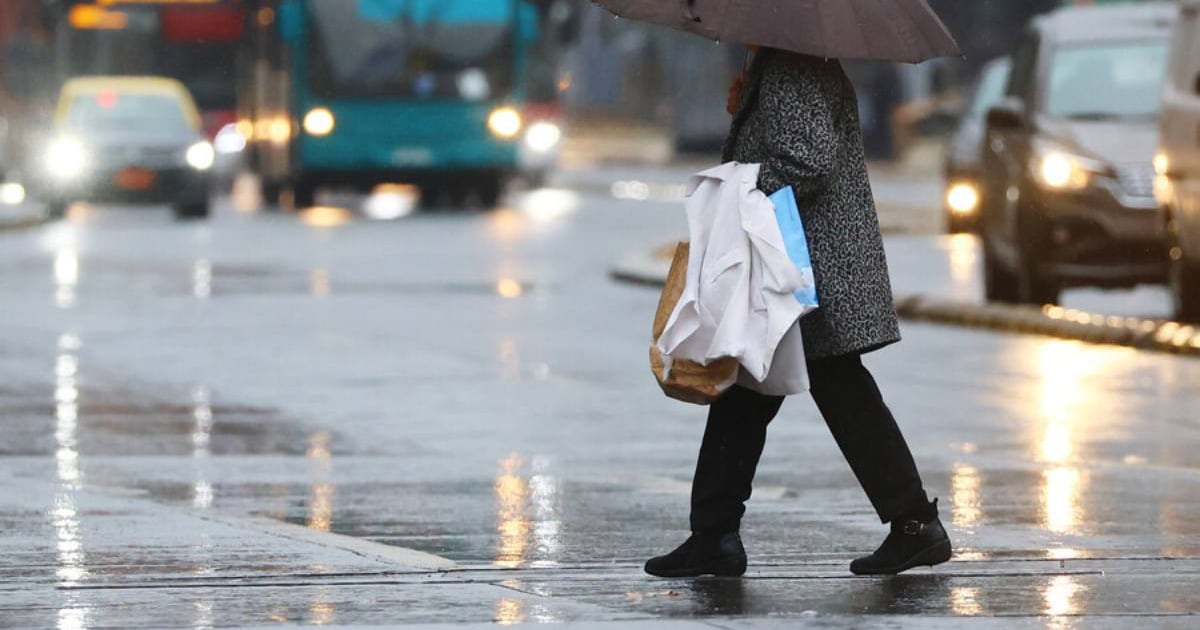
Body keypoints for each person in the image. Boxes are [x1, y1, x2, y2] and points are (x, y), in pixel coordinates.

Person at [645, 48, 951, 578]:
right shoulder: (786, 61)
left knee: (827, 387)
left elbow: (805, 158)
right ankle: (715, 533)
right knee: (753, 388)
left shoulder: (794, 63)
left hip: (804, 262)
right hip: (797, 259)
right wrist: (748, 116)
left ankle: (912, 524)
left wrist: (739, 186)